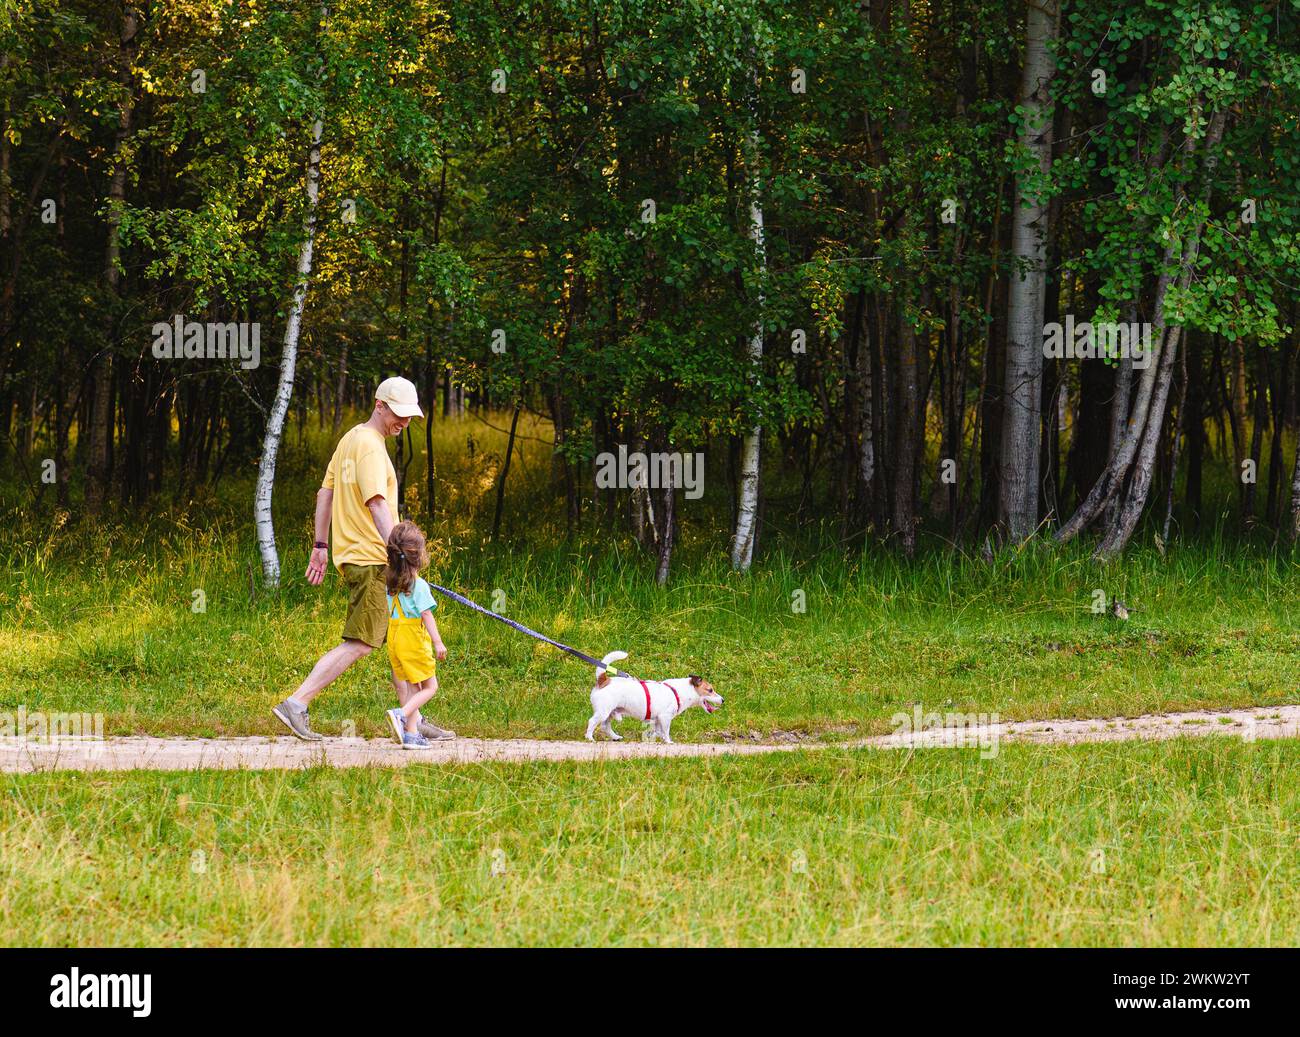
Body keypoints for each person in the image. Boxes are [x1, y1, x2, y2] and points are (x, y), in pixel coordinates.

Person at [272, 376, 451, 742]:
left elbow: (326, 494)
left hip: (357, 555)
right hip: (373, 558)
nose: (403, 422)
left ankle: (410, 717)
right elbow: (377, 503)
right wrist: (400, 554)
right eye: (398, 414)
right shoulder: (370, 446)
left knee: (399, 636)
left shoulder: (350, 439)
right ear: (379, 405)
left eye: (409, 417)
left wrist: (320, 545)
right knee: (362, 641)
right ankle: (296, 702)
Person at [381, 521, 451, 749]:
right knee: (431, 687)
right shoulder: (419, 586)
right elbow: (427, 616)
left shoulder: (391, 585)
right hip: (412, 641)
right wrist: (438, 642)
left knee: (413, 688)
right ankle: (401, 714)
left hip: (395, 640)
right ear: (417, 556)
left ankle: (411, 735)